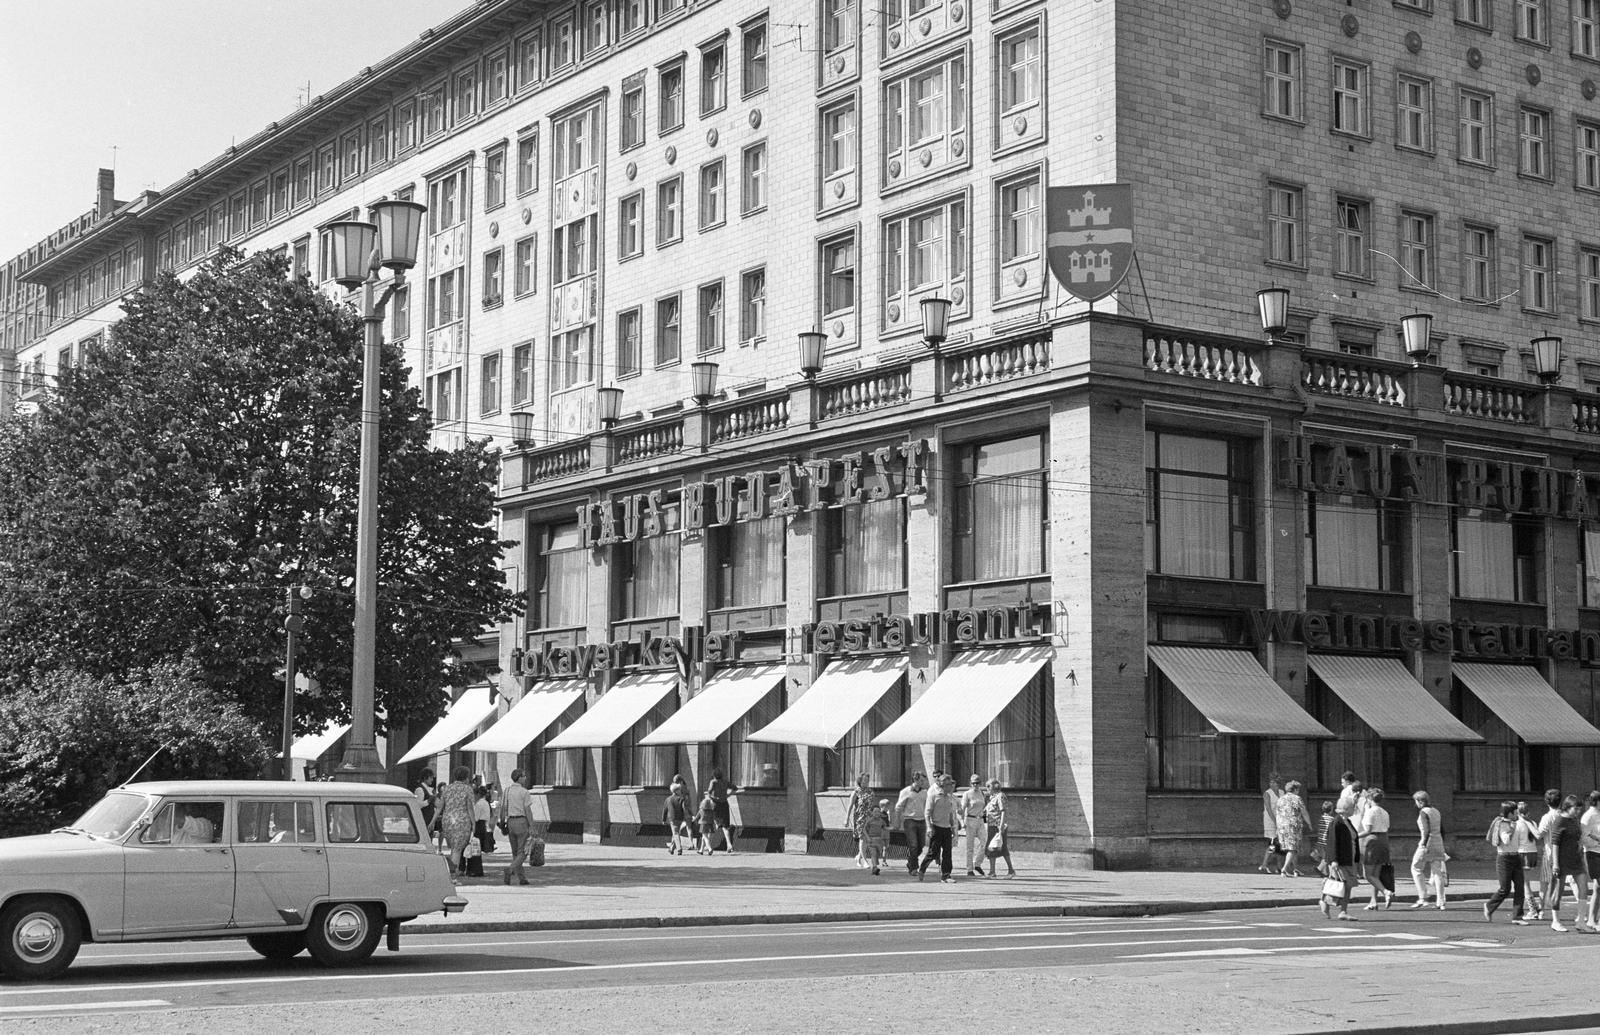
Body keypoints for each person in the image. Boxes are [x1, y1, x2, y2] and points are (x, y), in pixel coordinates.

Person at [1544, 794, 1593, 932]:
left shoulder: (1574, 820)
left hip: (1575, 859)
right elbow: (1555, 843)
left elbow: (1579, 837)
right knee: (1557, 891)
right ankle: (1555, 921)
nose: (1578, 812)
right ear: (1567, 807)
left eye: (1579, 809)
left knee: (1584, 888)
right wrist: (1555, 863)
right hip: (1561, 860)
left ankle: (1581, 921)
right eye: (1576, 809)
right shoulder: (1560, 820)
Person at [1484, 801, 1530, 925]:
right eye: (1515, 812)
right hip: (1504, 859)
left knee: (1520, 887)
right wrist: (1513, 829)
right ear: (1509, 813)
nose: (1517, 814)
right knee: (1505, 888)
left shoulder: (1514, 823)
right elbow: (1506, 841)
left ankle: (1517, 917)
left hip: (1516, 857)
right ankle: (1489, 906)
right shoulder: (1502, 825)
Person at [429, 765, 476, 879]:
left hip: (448, 820)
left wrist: (432, 822)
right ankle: (452, 875)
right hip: (462, 820)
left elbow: (440, 807)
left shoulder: (447, 788)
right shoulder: (467, 789)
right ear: (465, 777)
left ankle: (452, 871)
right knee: (457, 849)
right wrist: (474, 824)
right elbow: (470, 808)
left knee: (454, 848)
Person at [1409, 790, 1448, 910]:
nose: (1416, 804)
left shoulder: (1423, 812)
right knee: (1437, 872)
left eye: (1416, 801)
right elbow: (1442, 830)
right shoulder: (1436, 811)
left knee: (1416, 868)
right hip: (1438, 842)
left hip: (1427, 843)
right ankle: (1440, 901)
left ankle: (1423, 897)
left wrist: (1424, 845)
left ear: (1420, 801)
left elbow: (1426, 831)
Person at [1319, 805, 1359, 921]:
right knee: (1342, 884)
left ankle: (1341, 910)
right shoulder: (1336, 822)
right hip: (1340, 859)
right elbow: (1332, 842)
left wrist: (1356, 859)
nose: (1354, 809)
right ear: (1345, 809)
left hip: (1349, 858)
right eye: (1352, 807)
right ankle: (1330, 904)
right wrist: (1334, 860)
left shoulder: (1347, 821)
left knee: (1346, 885)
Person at [1357, 788, 1393, 910]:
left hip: (1373, 842)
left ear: (1369, 799)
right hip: (1384, 840)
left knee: (1368, 875)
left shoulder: (1370, 812)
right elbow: (1386, 827)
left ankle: (1386, 892)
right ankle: (1374, 901)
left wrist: (1354, 836)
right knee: (1376, 874)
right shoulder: (1385, 812)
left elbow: (1368, 830)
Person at [919, 774, 959, 882]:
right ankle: (922, 869)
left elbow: (950, 814)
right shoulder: (933, 796)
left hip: (947, 828)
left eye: (951, 784)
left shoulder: (950, 797)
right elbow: (927, 813)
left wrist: (953, 828)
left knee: (947, 853)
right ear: (942, 785)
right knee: (933, 852)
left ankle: (946, 875)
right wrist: (929, 827)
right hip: (936, 827)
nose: (951, 786)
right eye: (949, 784)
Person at [499, 768, 532, 885]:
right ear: (519, 777)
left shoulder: (507, 791)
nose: (525, 777)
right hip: (522, 821)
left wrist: (502, 822)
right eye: (524, 776)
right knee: (523, 851)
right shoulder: (524, 792)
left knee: (515, 852)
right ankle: (510, 869)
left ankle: (522, 878)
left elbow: (503, 808)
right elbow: (527, 810)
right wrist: (532, 825)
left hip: (510, 822)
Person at [893, 772, 929, 876]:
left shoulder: (925, 792)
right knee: (913, 845)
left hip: (922, 820)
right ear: (915, 780)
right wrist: (897, 821)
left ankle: (910, 861)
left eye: (924, 781)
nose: (923, 783)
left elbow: (927, 807)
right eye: (921, 780)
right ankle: (914, 868)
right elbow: (898, 807)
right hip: (910, 820)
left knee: (921, 845)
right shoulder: (906, 791)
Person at [1274, 780, 1312, 877]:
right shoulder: (1296, 798)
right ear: (1295, 789)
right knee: (1292, 849)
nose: (1298, 791)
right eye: (1298, 789)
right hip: (1293, 826)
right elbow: (1304, 812)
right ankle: (1284, 869)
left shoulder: (1280, 799)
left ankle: (1296, 869)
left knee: (1292, 848)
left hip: (1281, 827)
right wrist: (1309, 823)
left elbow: (1277, 814)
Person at [983, 778, 1016, 878]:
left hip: (997, 826)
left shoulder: (1000, 796)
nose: (987, 788)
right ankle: (993, 871)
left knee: (998, 847)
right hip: (991, 825)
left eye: (989, 786)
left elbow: (1003, 811)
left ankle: (1010, 870)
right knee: (993, 847)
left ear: (995, 786)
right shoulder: (992, 797)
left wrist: (1001, 825)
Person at [844, 772, 876, 869]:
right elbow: (850, 806)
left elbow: (872, 805)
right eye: (864, 780)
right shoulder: (856, 792)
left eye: (867, 780)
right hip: (859, 818)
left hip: (869, 818)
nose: (866, 782)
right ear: (860, 781)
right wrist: (846, 818)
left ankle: (858, 857)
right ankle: (865, 861)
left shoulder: (871, 792)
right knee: (862, 837)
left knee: (866, 840)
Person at [959, 774, 989, 877]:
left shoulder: (982, 793)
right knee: (970, 846)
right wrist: (962, 822)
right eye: (973, 783)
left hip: (980, 820)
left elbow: (985, 806)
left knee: (985, 842)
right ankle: (969, 869)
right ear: (970, 783)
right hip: (970, 819)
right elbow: (962, 809)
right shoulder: (967, 794)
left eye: (977, 782)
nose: (975, 785)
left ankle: (977, 863)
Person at [1581, 791, 1600, 930]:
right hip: (1593, 854)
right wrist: (1597, 842)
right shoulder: (1588, 817)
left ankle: (1593, 919)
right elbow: (1584, 838)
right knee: (1598, 886)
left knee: (1598, 888)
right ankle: (1592, 920)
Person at [1259, 772, 1284, 874]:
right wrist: (1275, 821)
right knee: (1272, 843)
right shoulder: (1267, 793)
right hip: (1270, 821)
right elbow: (1268, 809)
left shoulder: (1282, 792)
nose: (1271, 783)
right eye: (1270, 782)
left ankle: (1279, 866)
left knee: (1279, 844)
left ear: (1277, 783)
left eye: (1273, 782)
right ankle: (1264, 864)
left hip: (1280, 819)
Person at [707, 766, 736, 854]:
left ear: (714, 775)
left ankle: (707, 845)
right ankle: (729, 844)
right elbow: (735, 788)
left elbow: (709, 791)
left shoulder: (713, 782)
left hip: (716, 804)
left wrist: (712, 797)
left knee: (714, 825)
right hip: (724, 804)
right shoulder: (725, 782)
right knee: (725, 826)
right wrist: (728, 795)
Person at [663, 780, 693, 856]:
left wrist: (663, 819)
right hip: (680, 818)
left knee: (675, 833)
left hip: (672, 818)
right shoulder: (681, 799)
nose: (680, 791)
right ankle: (671, 849)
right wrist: (688, 815)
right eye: (679, 790)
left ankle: (679, 849)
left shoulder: (668, 799)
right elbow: (684, 808)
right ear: (676, 791)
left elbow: (665, 810)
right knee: (676, 833)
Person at [862, 799, 891, 875]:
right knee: (873, 853)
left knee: (877, 854)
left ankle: (874, 867)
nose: (877, 813)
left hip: (879, 840)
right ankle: (875, 867)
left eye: (878, 812)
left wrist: (892, 828)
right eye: (875, 812)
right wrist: (867, 837)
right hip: (871, 840)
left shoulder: (881, 821)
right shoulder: (869, 820)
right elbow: (864, 829)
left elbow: (885, 828)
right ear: (872, 813)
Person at [414, 768, 438, 837]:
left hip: (430, 819)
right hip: (424, 819)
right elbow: (418, 805)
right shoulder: (420, 789)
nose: (432, 780)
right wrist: (428, 800)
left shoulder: (429, 789)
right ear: (425, 778)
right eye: (430, 778)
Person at [473, 785, 494, 856]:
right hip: (486, 824)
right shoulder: (486, 803)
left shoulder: (479, 804)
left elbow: (476, 817)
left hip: (479, 824)